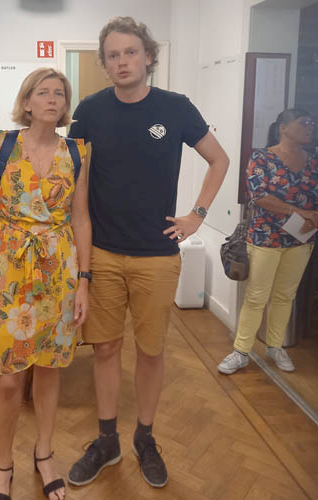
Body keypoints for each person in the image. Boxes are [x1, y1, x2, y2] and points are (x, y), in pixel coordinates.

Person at [67, 16, 229, 490]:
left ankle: (145, 437)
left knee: (151, 351)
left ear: (149, 57)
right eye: (113, 55)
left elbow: (219, 159)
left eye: (131, 52)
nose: (122, 62)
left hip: (157, 255)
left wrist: (197, 215)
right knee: (105, 349)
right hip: (101, 254)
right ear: (105, 63)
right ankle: (107, 441)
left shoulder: (176, 108)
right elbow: (70, 173)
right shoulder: (90, 110)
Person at [0, 67, 91, 500]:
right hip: (6, 271)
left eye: (60, 93)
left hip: (59, 272)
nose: (53, 99)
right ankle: (4, 466)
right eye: (44, 92)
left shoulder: (77, 152)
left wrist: (84, 282)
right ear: (27, 101)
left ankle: (44, 453)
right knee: (7, 380)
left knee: (50, 370)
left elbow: (81, 218)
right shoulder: (1, 145)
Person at [218, 109, 318, 375]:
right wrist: (301, 212)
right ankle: (241, 352)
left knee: (285, 296)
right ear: (284, 128)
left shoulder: (314, 161)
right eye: (303, 123)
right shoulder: (262, 158)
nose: (310, 127)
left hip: (301, 239)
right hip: (266, 236)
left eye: (311, 123)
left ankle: (275, 346)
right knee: (256, 296)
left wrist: (314, 216)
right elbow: (259, 196)